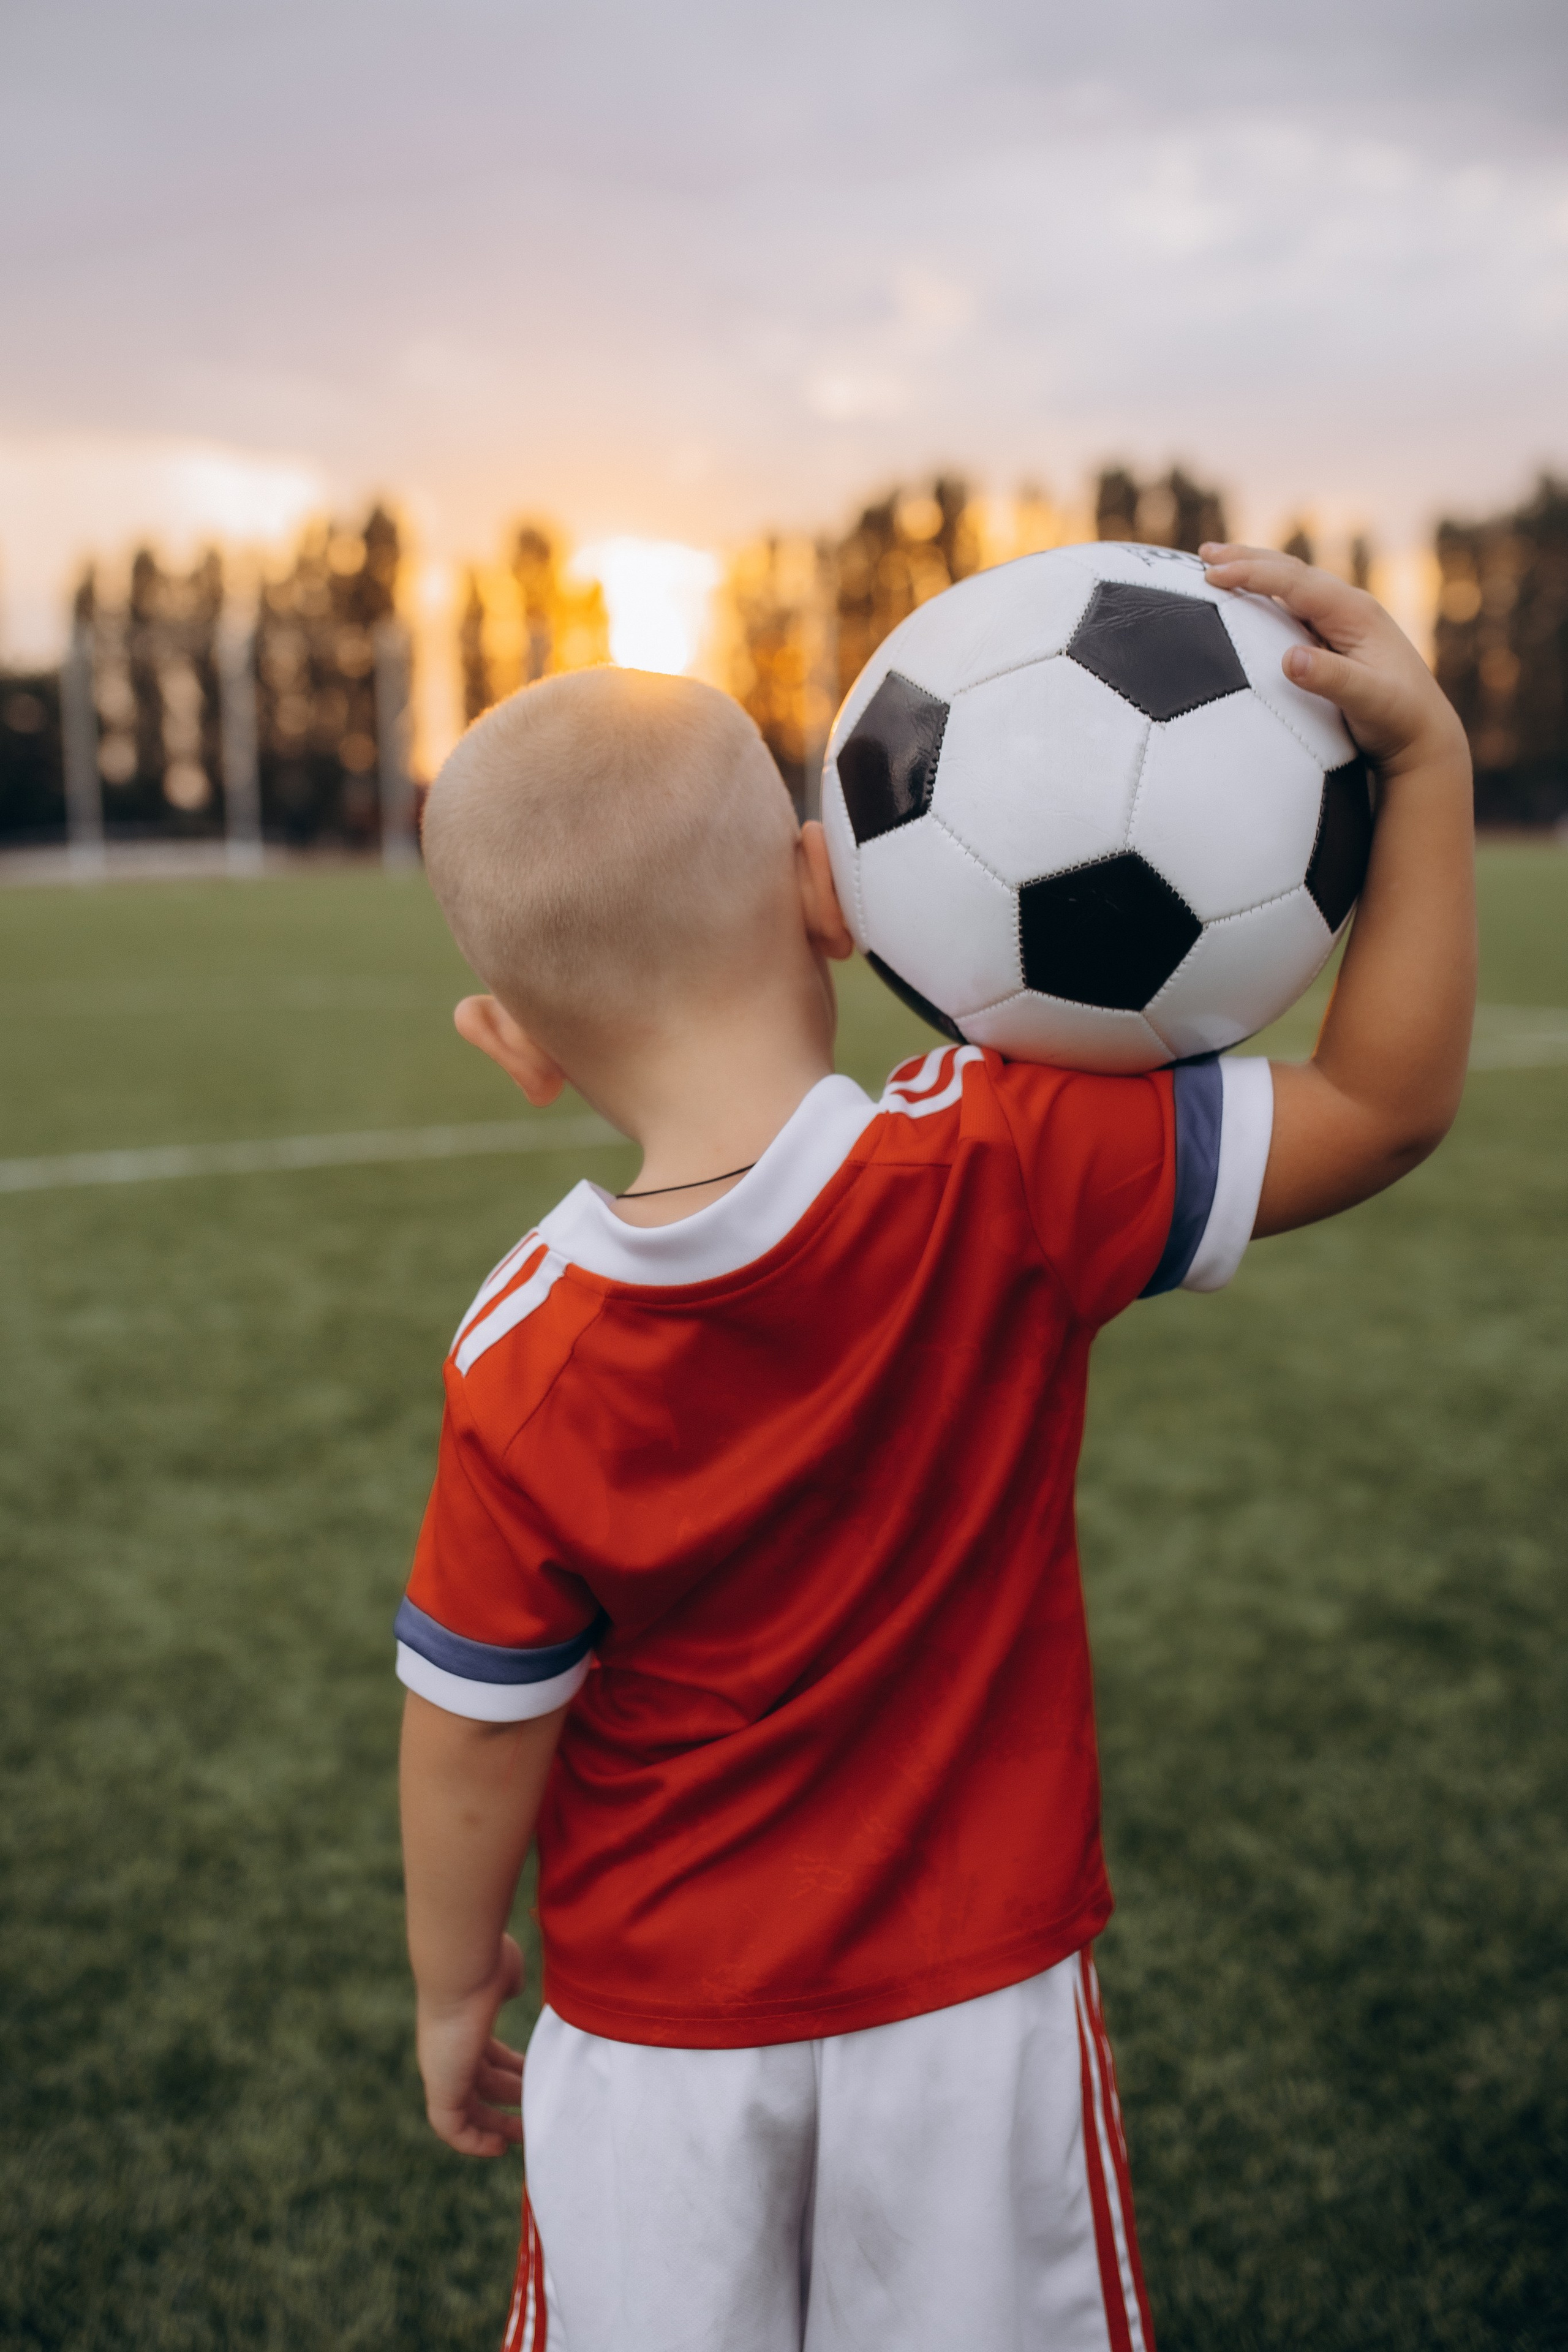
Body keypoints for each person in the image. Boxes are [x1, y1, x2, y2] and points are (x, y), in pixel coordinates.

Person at [396, 548, 1475, 2352]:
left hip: (655, 2038)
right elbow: (1381, 1109)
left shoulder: (521, 1355)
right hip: (974, 2012)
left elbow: (475, 1726)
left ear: (507, 1047)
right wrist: (1420, 767)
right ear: (832, 895)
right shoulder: (1009, 1168)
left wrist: (453, 1987)